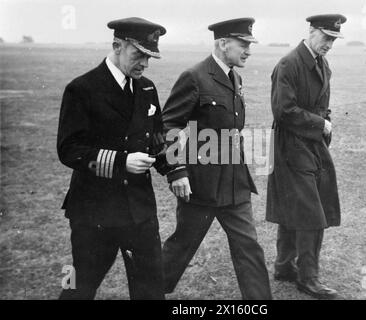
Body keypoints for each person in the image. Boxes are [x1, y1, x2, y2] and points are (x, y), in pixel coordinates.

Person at [57, 17, 178, 299]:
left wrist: (175, 170)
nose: (144, 65)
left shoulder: (147, 88)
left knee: (150, 287)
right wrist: (122, 162)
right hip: (93, 211)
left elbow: (157, 138)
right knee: (79, 285)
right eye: (139, 55)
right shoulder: (81, 89)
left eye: (149, 58)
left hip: (139, 210)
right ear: (117, 45)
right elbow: (69, 148)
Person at [160, 18, 272, 300]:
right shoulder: (195, 77)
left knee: (248, 245)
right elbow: (168, 125)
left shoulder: (236, 77)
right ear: (223, 44)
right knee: (183, 244)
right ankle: (148, 292)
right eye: (243, 45)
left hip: (235, 182)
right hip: (202, 184)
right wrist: (176, 170)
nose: (248, 51)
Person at [266, 14, 347, 299]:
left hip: (311, 145)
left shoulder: (322, 64)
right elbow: (284, 111)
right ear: (311, 32)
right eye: (326, 38)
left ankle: (284, 266)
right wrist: (320, 124)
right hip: (290, 147)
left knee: (298, 207)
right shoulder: (289, 64)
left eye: (333, 40)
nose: (329, 45)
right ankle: (308, 278)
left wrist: (326, 123)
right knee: (311, 212)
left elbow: (323, 106)